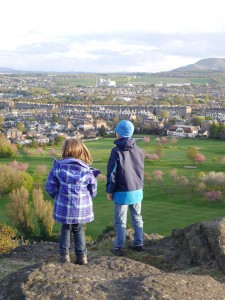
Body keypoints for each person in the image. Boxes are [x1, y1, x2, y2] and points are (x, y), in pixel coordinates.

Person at [46, 138, 100, 264]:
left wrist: (57, 196)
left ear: (64, 151)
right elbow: (93, 190)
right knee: (79, 229)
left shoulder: (58, 168)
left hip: (64, 206)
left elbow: (50, 187)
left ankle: (64, 256)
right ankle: (82, 257)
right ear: (80, 151)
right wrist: (87, 198)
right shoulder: (87, 171)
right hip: (81, 208)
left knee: (65, 228)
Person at [106, 120, 144, 256]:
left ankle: (118, 247)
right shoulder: (139, 150)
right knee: (137, 217)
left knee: (120, 221)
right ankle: (139, 243)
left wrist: (109, 191)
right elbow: (140, 171)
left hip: (122, 191)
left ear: (119, 133)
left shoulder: (116, 151)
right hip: (137, 190)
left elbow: (112, 174)